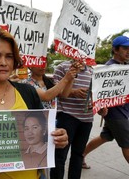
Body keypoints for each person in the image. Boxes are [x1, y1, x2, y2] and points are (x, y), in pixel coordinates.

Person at [0, 28, 69, 179]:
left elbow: (45, 135)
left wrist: (58, 137)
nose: (3, 62)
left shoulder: (28, 93)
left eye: (9, 57)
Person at [82, 35, 129, 168]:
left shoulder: (125, 66)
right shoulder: (108, 69)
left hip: (123, 111)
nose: (128, 51)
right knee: (127, 144)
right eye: (125, 48)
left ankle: (81, 156)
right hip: (116, 114)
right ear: (115, 49)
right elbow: (97, 92)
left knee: (105, 137)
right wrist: (100, 107)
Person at [50, 59, 93, 179]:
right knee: (60, 155)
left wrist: (96, 104)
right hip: (67, 116)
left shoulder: (91, 71)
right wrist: (74, 92)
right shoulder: (62, 67)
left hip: (87, 119)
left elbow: (95, 94)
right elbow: (56, 91)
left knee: (78, 155)